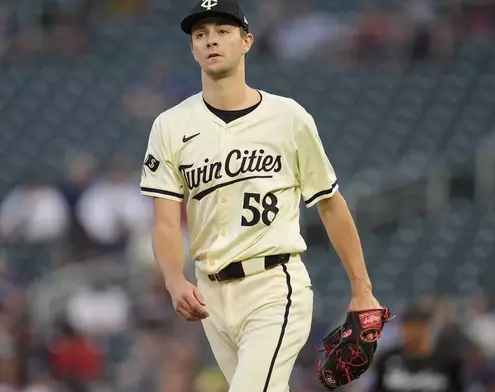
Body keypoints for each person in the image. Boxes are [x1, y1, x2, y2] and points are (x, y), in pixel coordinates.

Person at [140, 1, 382, 391]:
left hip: (273, 283)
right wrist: (173, 280)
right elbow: (165, 222)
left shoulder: (289, 118)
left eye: (222, 31)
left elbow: (330, 204)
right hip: (211, 295)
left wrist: (362, 289)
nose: (210, 41)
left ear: (247, 41)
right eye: (200, 34)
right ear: (192, 49)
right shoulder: (170, 126)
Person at [370, 305, 464, 392]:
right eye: (409, 328)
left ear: (427, 329)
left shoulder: (448, 362)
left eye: (418, 329)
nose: (413, 334)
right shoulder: (387, 360)